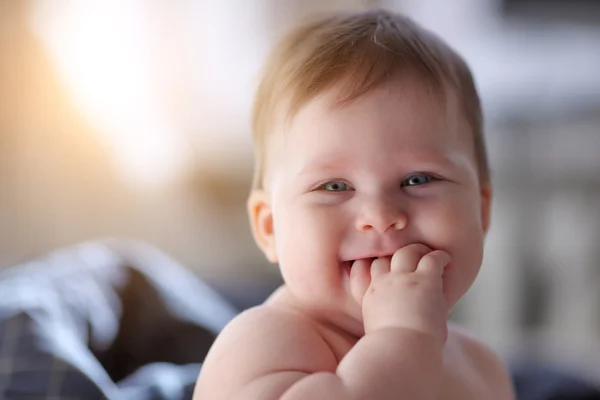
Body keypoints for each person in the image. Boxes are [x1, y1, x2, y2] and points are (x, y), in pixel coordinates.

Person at [194, 8, 515, 399]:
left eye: (418, 180)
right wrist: (401, 338)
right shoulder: (261, 344)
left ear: (481, 212)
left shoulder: (481, 366)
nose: (380, 217)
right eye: (334, 186)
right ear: (271, 228)